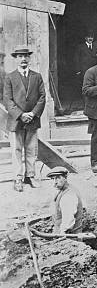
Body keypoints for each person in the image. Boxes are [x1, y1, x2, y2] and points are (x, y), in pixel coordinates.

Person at [3, 46, 46, 192]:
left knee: (31, 149)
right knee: (16, 150)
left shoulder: (37, 76)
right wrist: (21, 115)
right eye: (20, 56)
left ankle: (31, 176)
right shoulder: (9, 77)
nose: (23, 59)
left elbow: (42, 97)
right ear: (16, 59)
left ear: (29, 58)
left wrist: (33, 114)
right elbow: (7, 100)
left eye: (25, 56)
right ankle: (18, 178)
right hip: (16, 121)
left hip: (33, 120)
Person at [47, 166, 83, 234]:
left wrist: (61, 234)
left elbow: (68, 221)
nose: (55, 182)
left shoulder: (68, 195)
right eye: (52, 179)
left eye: (58, 178)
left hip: (69, 238)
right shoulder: (62, 190)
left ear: (65, 177)